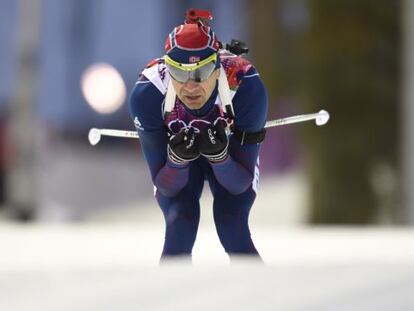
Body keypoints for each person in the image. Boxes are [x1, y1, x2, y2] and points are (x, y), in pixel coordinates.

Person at [129, 9, 268, 261]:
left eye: (200, 73)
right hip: (185, 164)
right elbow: (166, 188)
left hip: (233, 159)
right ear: (167, 70)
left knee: (231, 223)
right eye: (179, 73)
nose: (190, 86)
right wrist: (177, 160)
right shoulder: (148, 93)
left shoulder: (246, 84)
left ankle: (262, 295)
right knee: (180, 222)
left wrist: (221, 159)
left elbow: (240, 185)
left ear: (217, 69)